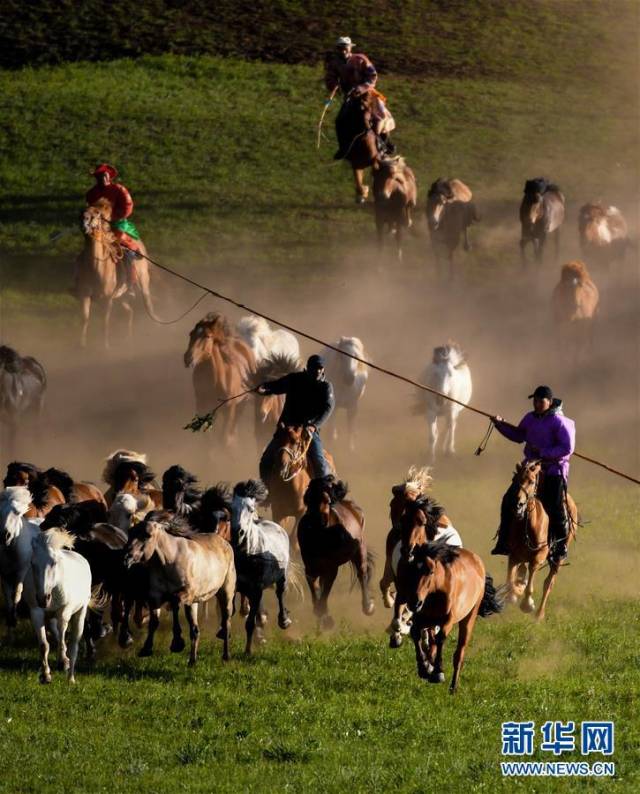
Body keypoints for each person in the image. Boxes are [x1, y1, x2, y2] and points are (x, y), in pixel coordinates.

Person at [491, 385, 575, 563]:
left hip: (553, 470)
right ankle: (504, 540)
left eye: (540, 401)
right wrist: (500, 424)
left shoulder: (561, 422)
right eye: (535, 401)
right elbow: (518, 435)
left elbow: (567, 448)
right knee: (509, 499)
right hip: (529, 469)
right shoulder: (530, 418)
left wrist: (543, 452)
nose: (536, 404)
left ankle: (560, 546)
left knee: (556, 507)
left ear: (550, 402)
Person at [258, 355, 335, 482]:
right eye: (314, 368)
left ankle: (325, 493)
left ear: (323, 369)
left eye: (320, 368)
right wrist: (265, 388)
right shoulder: (295, 379)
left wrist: (313, 425)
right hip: (286, 428)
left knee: (319, 462)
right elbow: (278, 386)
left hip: (308, 431)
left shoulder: (326, 387)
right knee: (265, 460)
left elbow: (328, 408)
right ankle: (266, 491)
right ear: (307, 368)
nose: (317, 371)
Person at [324, 36, 395, 159]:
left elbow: (372, 75)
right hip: (349, 96)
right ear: (337, 49)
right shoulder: (334, 63)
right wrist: (334, 86)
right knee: (339, 121)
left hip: (367, 94)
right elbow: (330, 77)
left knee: (380, 116)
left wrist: (361, 88)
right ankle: (343, 147)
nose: (343, 51)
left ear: (350, 47)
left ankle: (385, 142)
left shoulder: (360, 59)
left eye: (345, 48)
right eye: (340, 48)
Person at [85, 163, 143, 291]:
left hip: (117, 223)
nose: (102, 178)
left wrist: (113, 217)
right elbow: (89, 209)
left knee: (124, 249)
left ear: (109, 176)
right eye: (99, 176)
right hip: (98, 226)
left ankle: (130, 281)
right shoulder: (91, 193)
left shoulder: (119, 189)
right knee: (88, 248)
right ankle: (81, 282)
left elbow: (128, 207)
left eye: (104, 175)